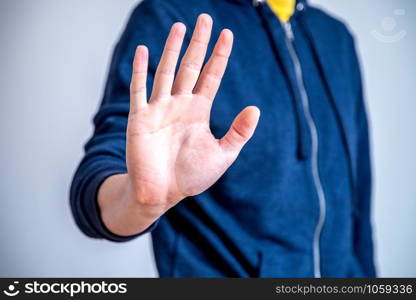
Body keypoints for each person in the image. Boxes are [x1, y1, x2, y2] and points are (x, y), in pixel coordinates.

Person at [70, 0, 376, 277]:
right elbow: (102, 171)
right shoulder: (170, 15)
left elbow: (359, 195)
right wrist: (140, 201)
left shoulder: (336, 38)